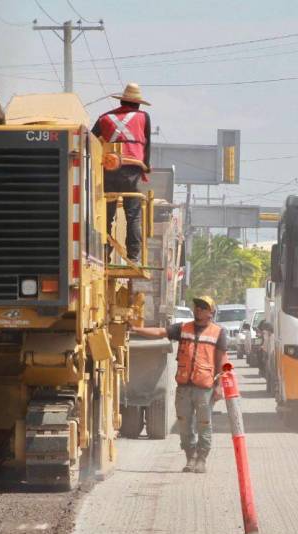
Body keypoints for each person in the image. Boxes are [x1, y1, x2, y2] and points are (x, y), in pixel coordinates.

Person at [132, 296, 228, 473]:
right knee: (184, 424)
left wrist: (220, 386)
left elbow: (223, 360)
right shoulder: (183, 328)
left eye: (203, 307)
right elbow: (161, 332)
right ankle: (190, 457)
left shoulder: (218, 332)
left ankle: (201, 458)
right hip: (184, 387)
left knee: (204, 424)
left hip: (205, 388)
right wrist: (136, 329)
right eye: (197, 306)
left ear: (211, 312)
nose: (198, 309)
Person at [92, 82, 151, 262]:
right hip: (132, 170)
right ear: (138, 103)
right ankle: (133, 256)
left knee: (107, 215)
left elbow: (92, 140)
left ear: (122, 101)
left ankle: (104, 254)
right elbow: (147, 145)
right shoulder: (143, 117)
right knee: (132, 214)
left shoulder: (104, 118)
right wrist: (145, 169)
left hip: (109, 169)